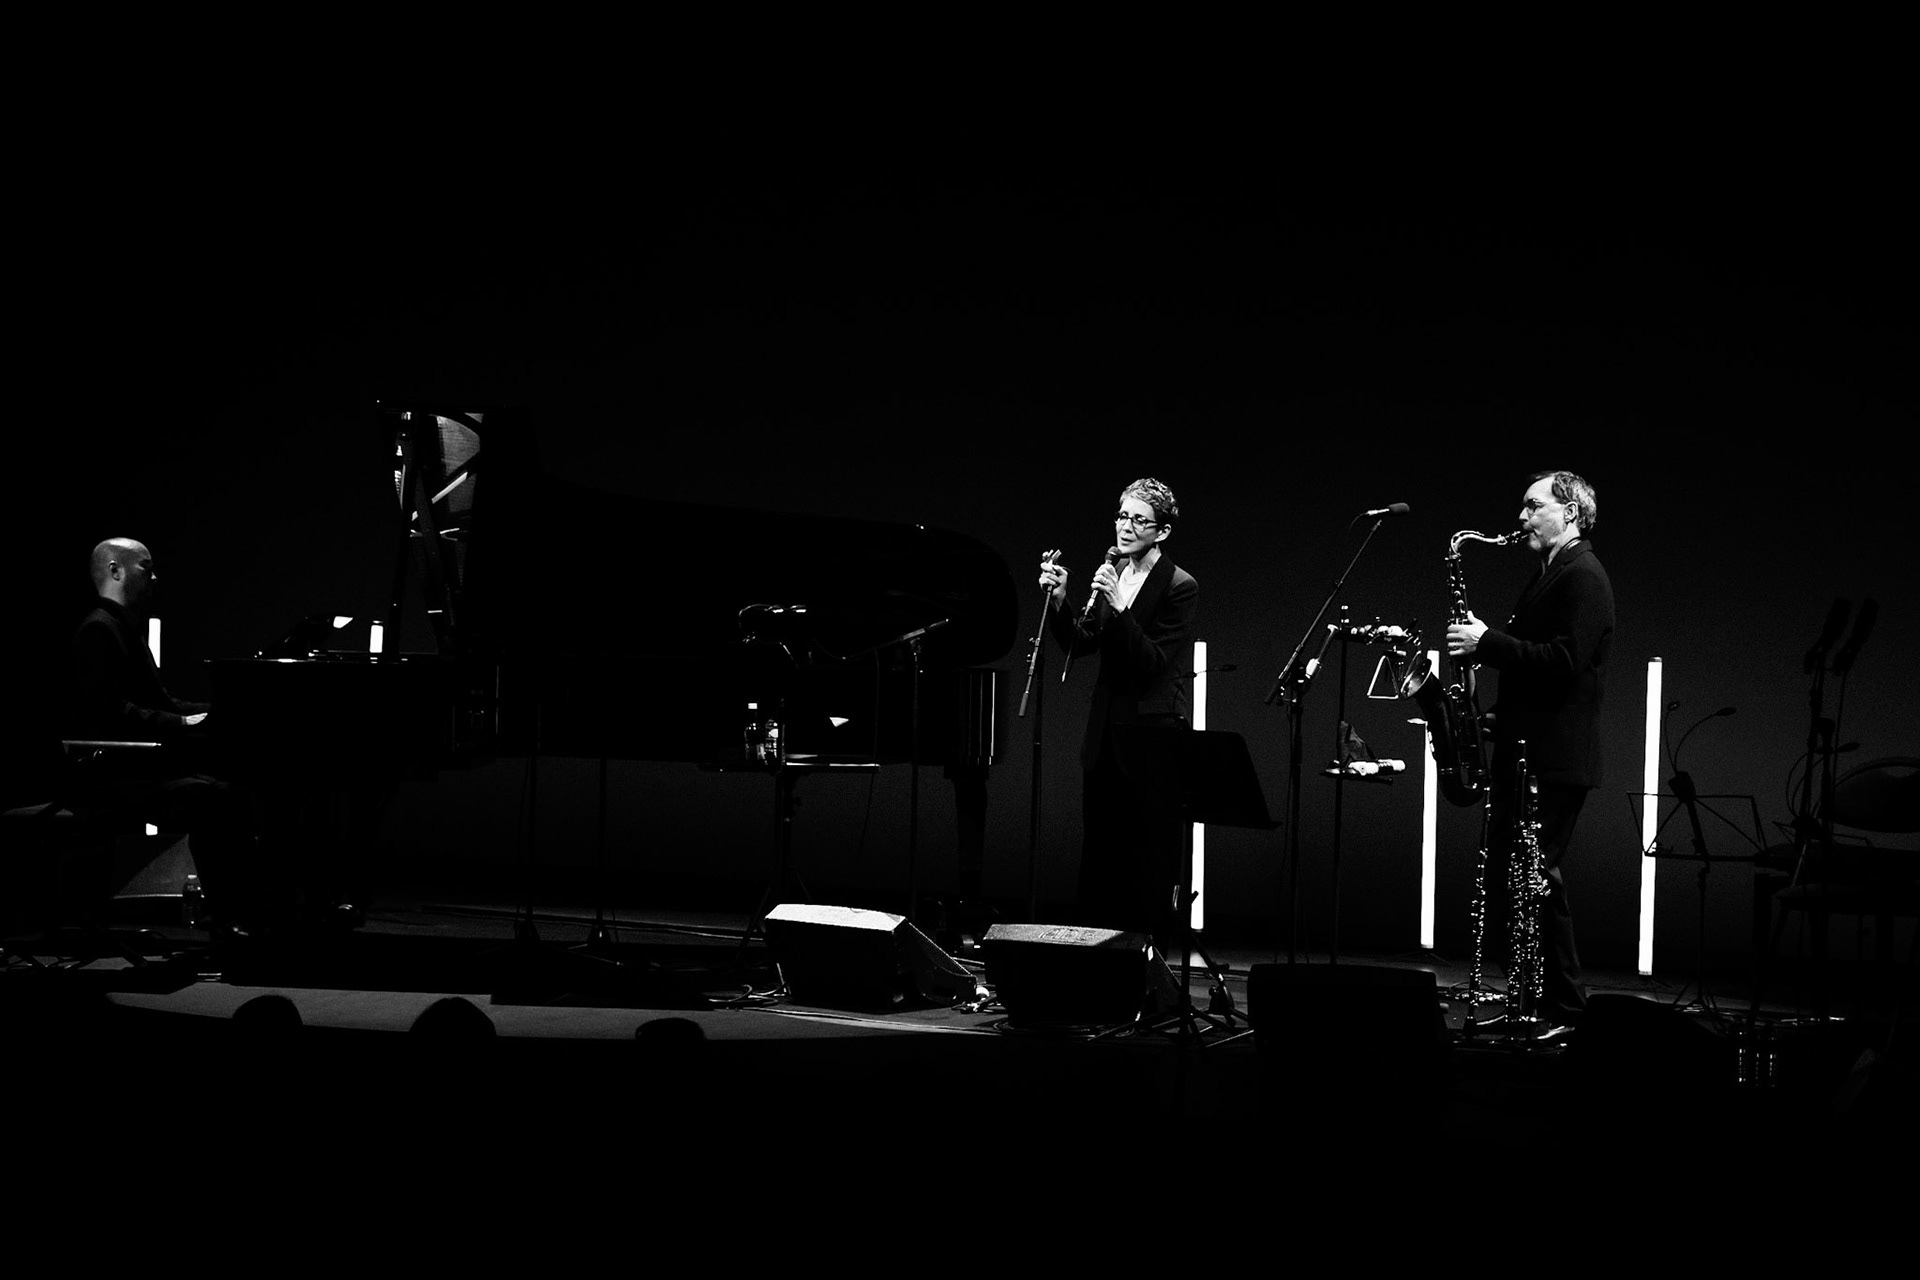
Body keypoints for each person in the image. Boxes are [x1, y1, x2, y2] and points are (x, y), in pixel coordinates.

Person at [1447, 471, 1614, 1033]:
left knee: (1537, 880)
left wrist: (1486, 643)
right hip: (1529, 750)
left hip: (1555, 760)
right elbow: (1544, 675)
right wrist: (1493, 718)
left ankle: (1565, 1009)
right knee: (1523, 882)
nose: (1520, 519)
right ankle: (1533, 1000)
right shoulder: (1550, 573)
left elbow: (1565, 660)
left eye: (1531, 506)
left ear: (1568, 512)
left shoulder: (1584, 575)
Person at [68, 537, 259, 934]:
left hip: (137, 768)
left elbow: (159, 701)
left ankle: (240, 914)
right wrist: (183, 724)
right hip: (114, 776)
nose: (155, 576)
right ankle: (232, 918)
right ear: (115, 570)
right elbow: (107, 714)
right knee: (217, 799)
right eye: (145, 566)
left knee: (231, 792)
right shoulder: (99, 631)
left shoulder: (122, 629)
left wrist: (209, 714)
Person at [1039, 478, 1197, 939]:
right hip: (1106, 734)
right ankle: (1094, 961)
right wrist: (1061, 600)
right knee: (1101, 852)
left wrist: (1122, 606)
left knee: (1144, 857)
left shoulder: (1179, 585)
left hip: (1150, 737)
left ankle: (1145, 969)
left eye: (1138, 520)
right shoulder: (1116, 574)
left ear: (1161, 532)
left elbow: (1151, 664)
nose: (1125, 527)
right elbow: (1080, 643)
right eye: (1122, 516)